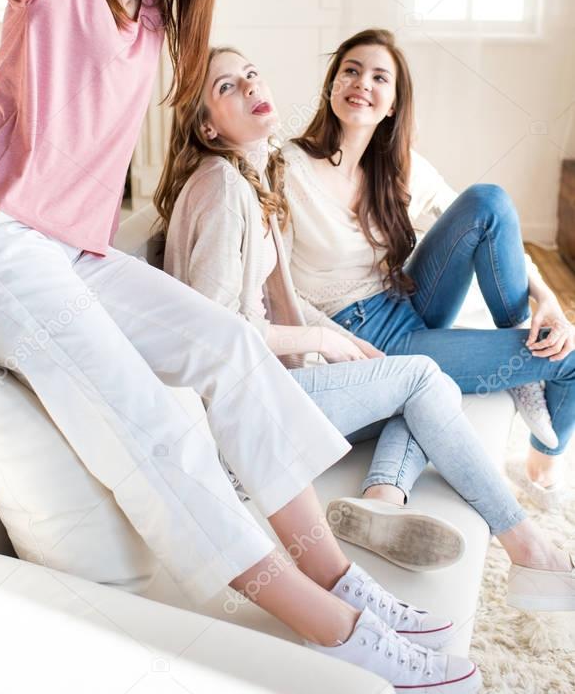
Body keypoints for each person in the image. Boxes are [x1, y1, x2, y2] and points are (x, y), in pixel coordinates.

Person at [0, 0, 481, 692]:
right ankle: (334, 627)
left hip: (76, 252)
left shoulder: (153, 36)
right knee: (153, 423)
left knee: (226, 344)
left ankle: (333, 567)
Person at [157, 45, 575, 611]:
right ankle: (528, 549)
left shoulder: (248, 177)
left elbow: (275, 301)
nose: (252, 87)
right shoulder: (242, 179)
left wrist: (544, 298)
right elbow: (211, 332)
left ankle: (383, 500)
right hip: (245, 410)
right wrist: (324, 338)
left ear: (395, 102)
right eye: (228, 86)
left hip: (309, 360)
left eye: (252, 73)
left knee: (480, 221)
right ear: (206, 124)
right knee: (426, 382)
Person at [282, 28, 575, 517]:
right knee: (571, 359)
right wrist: (333, 345)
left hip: (407, 299)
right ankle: (542, 469)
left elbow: (481, 225)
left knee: (488, 200)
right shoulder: (288, 166)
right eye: (350, 70)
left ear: (393, 104)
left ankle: (520, 356)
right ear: (332, 84)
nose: (362, 83)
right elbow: (278, 287)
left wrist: (544, 296)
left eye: (380, 77)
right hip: (363, 333)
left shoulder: (397, 165)